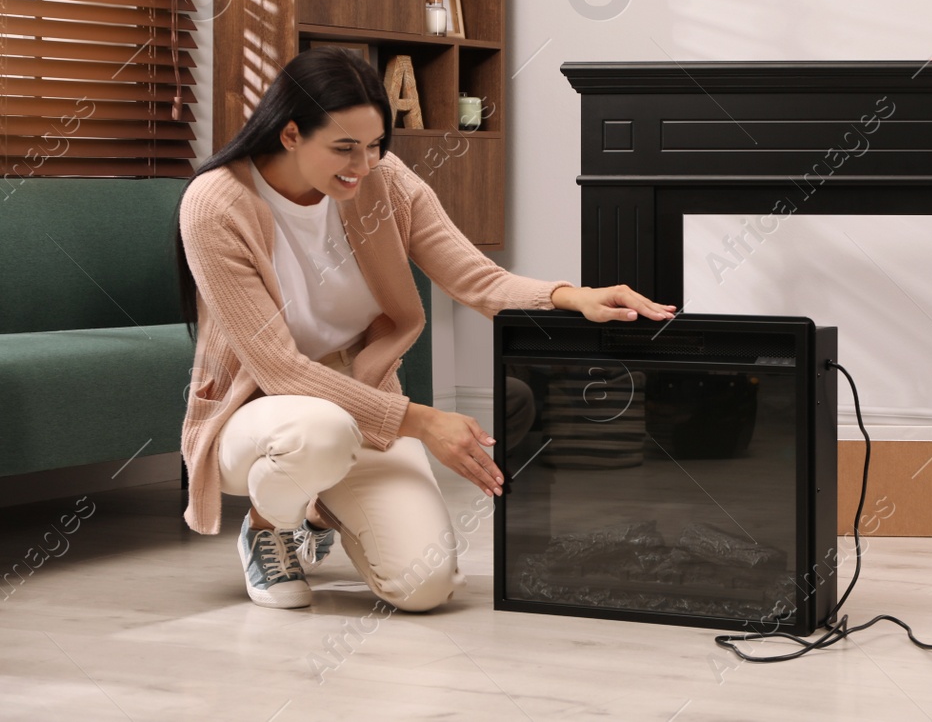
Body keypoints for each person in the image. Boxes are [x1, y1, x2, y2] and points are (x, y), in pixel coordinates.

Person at [175, 47, 675, 610]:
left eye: (374, 146)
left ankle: (319, 504)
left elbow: (475, 278)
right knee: (320, 432)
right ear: (290, 134)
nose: (362, 166)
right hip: (260, 405)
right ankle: (269, 527)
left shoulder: (382, 181)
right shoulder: (216, 204)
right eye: (344, 148)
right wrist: (423, 422)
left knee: (423, 587)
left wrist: (573, 296)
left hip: (361, 393)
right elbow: (279, 367)